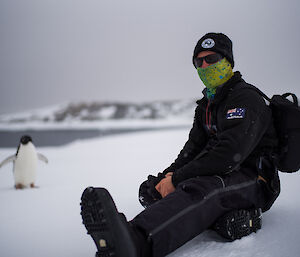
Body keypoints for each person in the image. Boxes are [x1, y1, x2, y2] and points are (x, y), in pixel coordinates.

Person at [80, 32, 280, 257]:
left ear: (228, 62)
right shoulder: (206, 106)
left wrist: (177, 179)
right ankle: (223, 219)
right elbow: (191, 150)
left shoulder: (246, 99)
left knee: (202, 190)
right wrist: (168, 176)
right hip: (222, 172)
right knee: (151, 189)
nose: (204, 65)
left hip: (255, 179)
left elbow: (228, 155)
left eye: (211, 59)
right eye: (199, 61)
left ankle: (136, 241)